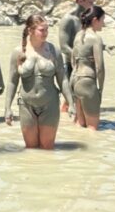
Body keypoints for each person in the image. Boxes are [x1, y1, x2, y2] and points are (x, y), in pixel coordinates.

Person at [5, 14, 72, 149]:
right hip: (26, 105)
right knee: (31, 150)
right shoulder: (18, 52)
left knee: (47, 149)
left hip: (50, 105)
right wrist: (7, 108)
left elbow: (62, 79)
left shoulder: (54, 51)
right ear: (30, 30)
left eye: (47, 29)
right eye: (42, 30)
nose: (45, 33)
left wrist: (71, 103)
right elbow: (12, 81)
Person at [71, 5, 106, 130]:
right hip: (87, 81)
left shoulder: (78, 35)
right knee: (93, 129)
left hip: (75, 80)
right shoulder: (96, 38)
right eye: (103, 20)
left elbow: (73, 61)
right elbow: (100, 67)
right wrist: (100, 89)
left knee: (79, 125)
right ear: (95, 20)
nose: (104, 23)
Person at [58, 0, 93, 110]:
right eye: (90, 3)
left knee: (80, 101)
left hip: (83, 64)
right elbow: (63, 47)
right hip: (71, 65)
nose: (92, 7)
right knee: (69, 103)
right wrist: (80, 57)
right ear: (80, 1)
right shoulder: (68, 20)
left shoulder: (86, 18)